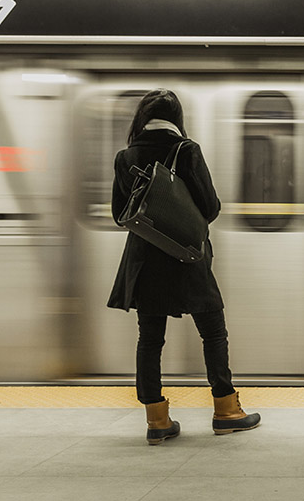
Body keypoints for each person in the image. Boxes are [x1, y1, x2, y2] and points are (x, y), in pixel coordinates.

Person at [107, 89, 260, 445]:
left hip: (144, 260)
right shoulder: (185, 150)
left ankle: (156, 420)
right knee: (213, 331)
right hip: (186, 256)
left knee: (149, 340)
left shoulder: (125, 157)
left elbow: (119, 215)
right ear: (176, 117)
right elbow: (210, 207)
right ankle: (226, 410)